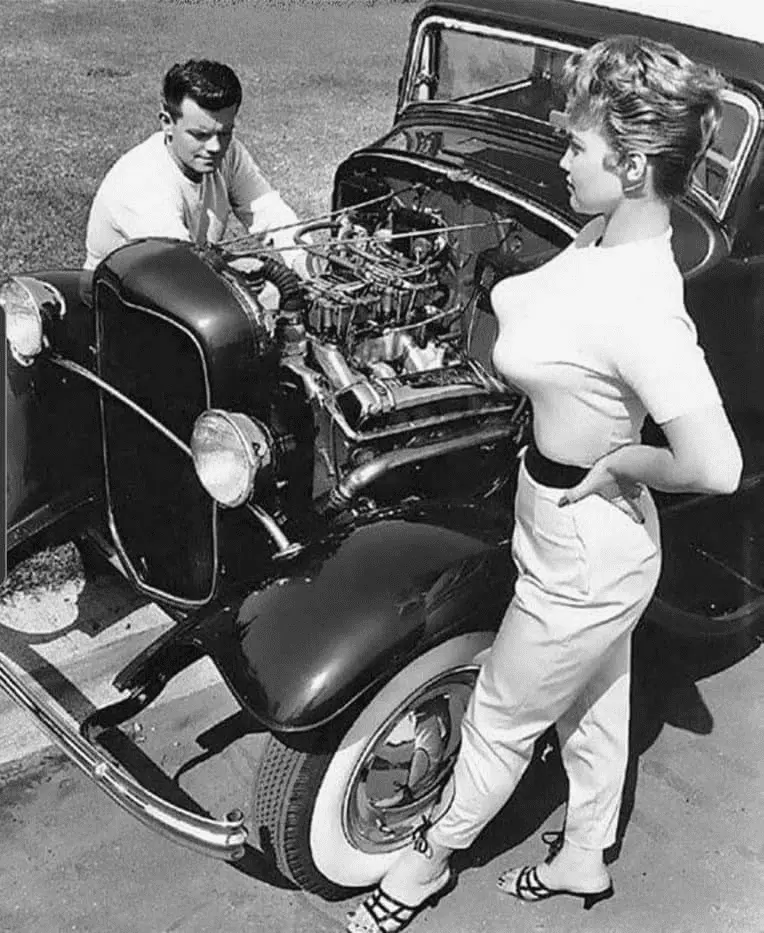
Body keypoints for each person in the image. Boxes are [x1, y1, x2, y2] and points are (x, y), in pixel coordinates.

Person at [347, 34, 742, 933]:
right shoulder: (609, 232)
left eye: (577, 145)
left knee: (500, 715)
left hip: (586, 548)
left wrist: (627, 460)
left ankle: (423, 865)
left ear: (633, 165)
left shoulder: (643, 306)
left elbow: (715, 464)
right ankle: (583, 857)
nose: (561, 158)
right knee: (594, 704)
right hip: (568, 522)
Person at [84, 59, 304, 272]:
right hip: (128, 292)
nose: (215, 147)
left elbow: (268, 211)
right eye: (200, 135)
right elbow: (186, 268)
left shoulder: (229, 153)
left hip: (182, 281)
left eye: (224, 133)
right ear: (167, 123)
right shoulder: (141, 183)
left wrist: (304, 259)